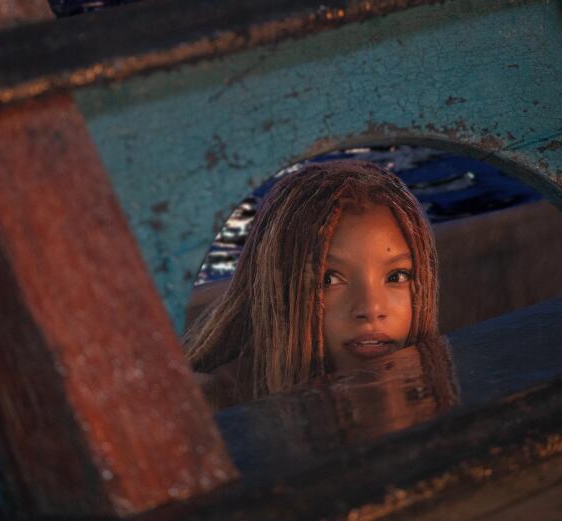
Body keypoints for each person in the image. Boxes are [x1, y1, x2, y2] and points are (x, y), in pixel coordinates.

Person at [184, 159, 439, 409]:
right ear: (279, 290)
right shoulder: (219, 406)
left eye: (396, 277)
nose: (371, 308)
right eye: (329, 279)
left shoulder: (436, 386)